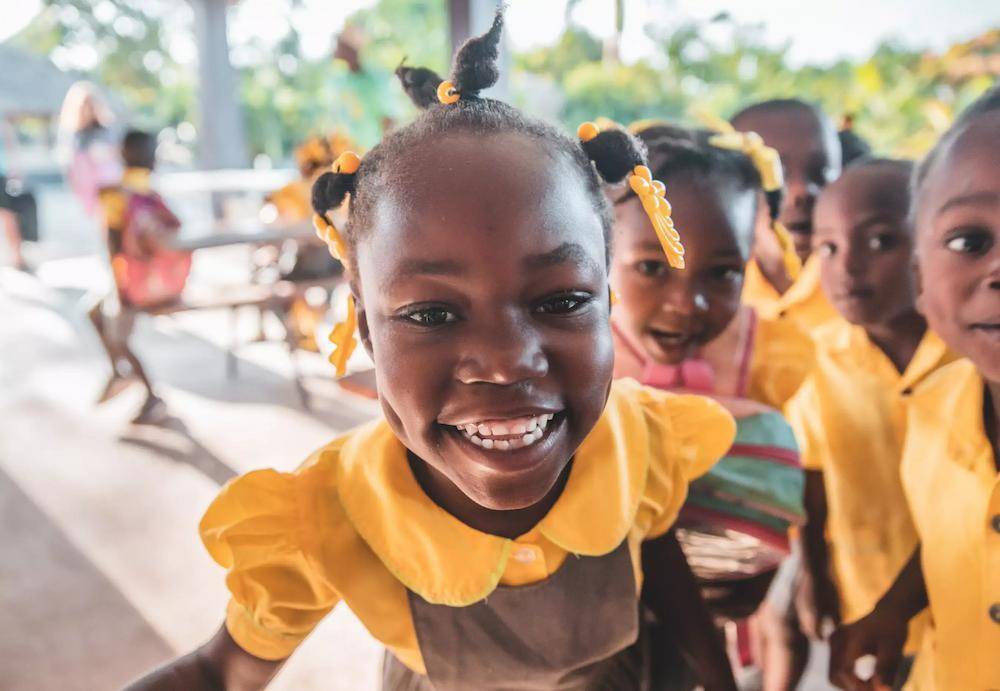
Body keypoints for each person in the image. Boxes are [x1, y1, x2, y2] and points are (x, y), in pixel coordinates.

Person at [126, 14, 740, 691]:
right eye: (431, 313)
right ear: (365, 329)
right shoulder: (329, 512)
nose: (505, 361)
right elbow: (222, 672)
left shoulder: (637, 438)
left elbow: (667, 578)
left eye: (561, 300)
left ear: (607, 300)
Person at [609, 126, 809, 688]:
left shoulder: (767, 351)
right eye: (652, 267)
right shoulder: (573, 355)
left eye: (722, 273)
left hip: (726, 613)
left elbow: (775, 483)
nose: (687, 304)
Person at [829, 84, 1000, 691]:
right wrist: (895, 608)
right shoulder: (933, 406)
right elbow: (953, 530)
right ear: (922, 278)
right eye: (969, 241)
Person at [785, 159, 957, 687]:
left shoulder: (971, 356)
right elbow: (811, 481)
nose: (848, 266)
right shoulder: (814, 358)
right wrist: (813, 575)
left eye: (881, 241)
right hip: (870, 602)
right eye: (828, 248)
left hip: (973, 600)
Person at [90, 130, 190, 424]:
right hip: (163, 282)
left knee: (116, 334)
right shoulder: (152, 193)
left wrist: (119, 289)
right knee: (93, 311)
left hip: (134, 287)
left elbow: (113, 245)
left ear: (121, 156)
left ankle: (149, 394)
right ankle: (119, 373)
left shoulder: (115, 194)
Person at [730, 99, 841, 334]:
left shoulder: (861, 288)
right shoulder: (713, 294)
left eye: (822, 171)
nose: (801, 191)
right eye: (775, 173)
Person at [58, 81, 122, 218]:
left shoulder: (105, 129)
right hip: (85, 183)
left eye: (91, 105)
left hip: (107, 181)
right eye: (85, 105)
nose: (88, 109)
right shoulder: (72, 134)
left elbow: (115, 153)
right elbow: (69, 161)